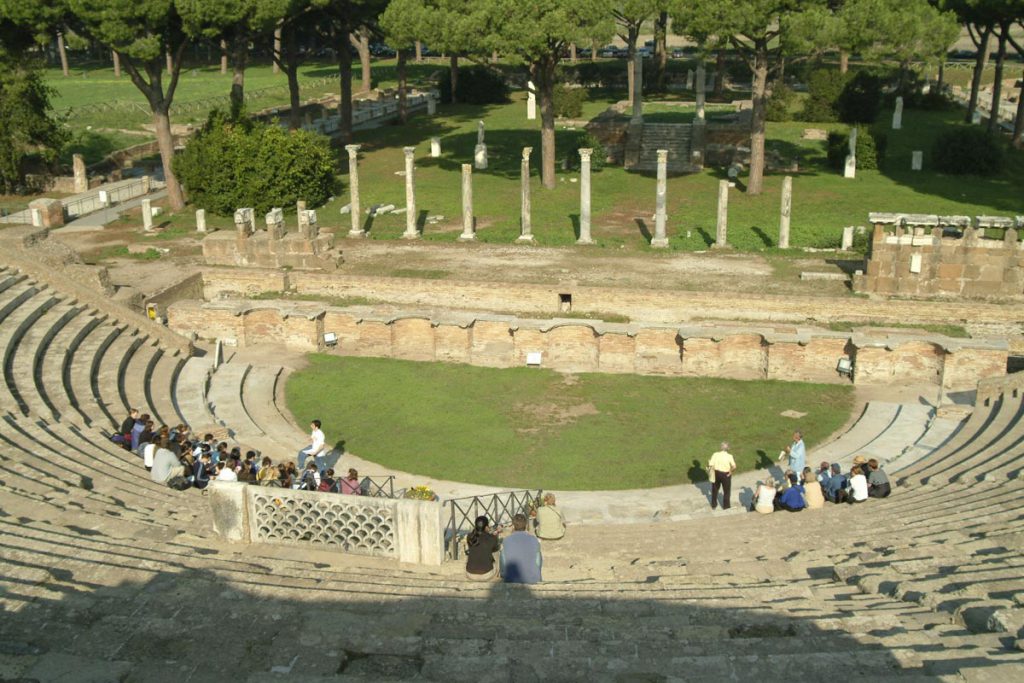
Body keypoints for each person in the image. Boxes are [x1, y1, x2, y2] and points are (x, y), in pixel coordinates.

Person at [500, 514, 542, 584]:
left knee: (503, 553)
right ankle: (537, 574)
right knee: (538, 553)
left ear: (513, 526)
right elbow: (538, 562)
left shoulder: (506, 540)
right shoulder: (534, 539)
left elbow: (503, 561)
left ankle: (504, 575)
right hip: (533, 578)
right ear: (526, 525)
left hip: (511, 579)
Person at [465, 515, 501, 581]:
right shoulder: (492, 538)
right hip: (486, 574)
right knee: (497, 552)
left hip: (469, 573)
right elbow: (495, 552)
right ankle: (498, 573)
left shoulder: (470, 536)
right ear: (486, 527)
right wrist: (495, 536)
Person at [707, 441, 737, 510]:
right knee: (726, 491)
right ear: (728, 448)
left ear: (721, 447)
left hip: (716, 473)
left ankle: (714, 505)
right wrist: (730, 472)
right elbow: (734, 466)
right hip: (726, 475)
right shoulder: (729, 456)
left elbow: (710, 464)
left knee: (715, 489)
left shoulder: (715, 454)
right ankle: (726, 506)